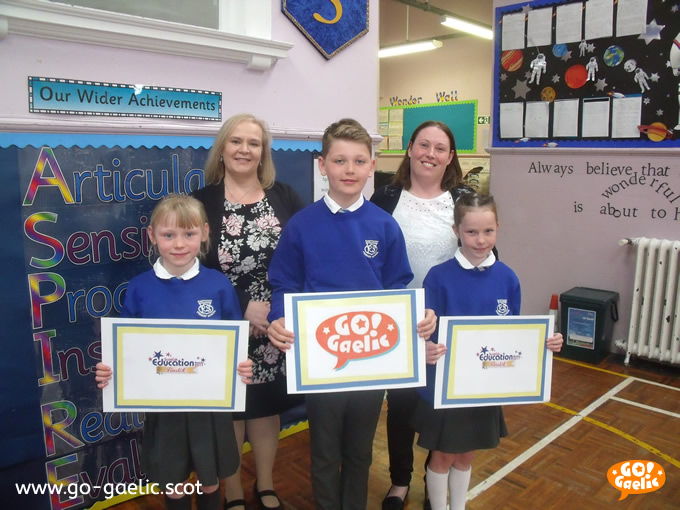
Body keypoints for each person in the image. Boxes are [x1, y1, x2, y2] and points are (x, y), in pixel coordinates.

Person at [266, 118, 437, 510]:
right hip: (321, 359)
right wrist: (279, 315)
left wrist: (417, 317)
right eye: (340, 161)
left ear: (372, 166)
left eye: (359, 161)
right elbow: (285, 283)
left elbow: (398, 287)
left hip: (372, 360)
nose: (349, 170)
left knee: (360, 449)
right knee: (325, 449)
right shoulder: (301, 225)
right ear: (323, 165)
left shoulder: (384, 225)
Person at [94, 193, 254, 510]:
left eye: (189, 234)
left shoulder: (219, 285)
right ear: (152, 237)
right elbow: (127, 347)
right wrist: (111, 371)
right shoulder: (140, 287)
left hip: (208, 406)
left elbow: (235, 344)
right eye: (169, 235)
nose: (179, 244)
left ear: (204, 233)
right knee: (175, 484)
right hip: (163, 407)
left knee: (210, 480)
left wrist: (242, 367)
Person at [412, 193, 564, 510]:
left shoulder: (508, 278)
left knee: (467, 454)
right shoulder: (439, 277)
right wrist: (424, 347)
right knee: (442, 455)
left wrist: (544, 344)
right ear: (456, 231)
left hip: (484, 387)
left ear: (498, 228)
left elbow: (513, 336)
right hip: (445, 386)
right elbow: (425, 330)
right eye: (471, 232)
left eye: (488, 231)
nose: (480, 240)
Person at [191, 113, 304, 510]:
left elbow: (302, 257)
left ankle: (267, 484)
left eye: (253, 143)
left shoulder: (286, 196)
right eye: (236, 141)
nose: (244, 149)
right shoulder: (201, 203)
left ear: (263, 153)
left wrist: (276, 308)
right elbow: (192, 268)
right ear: (222, 149)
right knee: (233, 409)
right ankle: (235, 492)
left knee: (265, 408)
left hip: (275, 324)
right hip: (226, 321)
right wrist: (242, 305)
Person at [371, 120, 473, 510]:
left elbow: (484, 251)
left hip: (447, 324)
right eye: (424, 145)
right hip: (398, 323)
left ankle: (436, 486)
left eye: (440, 148)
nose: (430, 154)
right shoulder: (385, 197)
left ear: (450, 157)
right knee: (401, 408)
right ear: (410, 148)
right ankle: (399, 482)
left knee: (440, 408)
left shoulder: (463, 198)